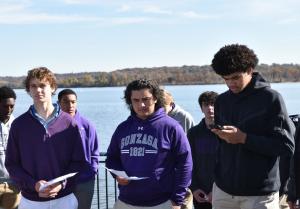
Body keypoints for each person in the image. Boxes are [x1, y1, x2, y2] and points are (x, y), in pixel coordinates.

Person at [210, 44, 295, 209]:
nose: (230, 84)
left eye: (235, 78)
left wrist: (244, 138)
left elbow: (286, 146)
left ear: (249, 70)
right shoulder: (222, 101)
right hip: (223, 191)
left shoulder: (271, 99)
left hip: (259, 194)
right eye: (225, 79)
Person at [5, 67, 87, 209]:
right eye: (33, 86)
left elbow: (79, 162)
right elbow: (12, 164)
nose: (38, 90)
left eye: (43, 85)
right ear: (28, 90)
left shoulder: (69, 123)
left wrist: (61, 184)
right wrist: (33, 185)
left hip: (64, 199)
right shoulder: (19, 125)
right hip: (30, 202)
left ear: (52, 87)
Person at [106, 79, 192, 209]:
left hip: (162, 202)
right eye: (136, 100)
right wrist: (117, 174)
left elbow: (185, 163)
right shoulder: (123, 128)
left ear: (156, 98)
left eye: (146, 99)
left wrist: (176, 200)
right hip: (125, 202)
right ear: (130, 101)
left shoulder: (171, 127)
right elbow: (112, 158)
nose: (141, 105)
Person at [58, 88, 99, 209]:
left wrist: (92, 172)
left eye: (73, 102)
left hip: (84, 181)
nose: (70, 105)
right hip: (61, 182)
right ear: (59, 103)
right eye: (66, 102)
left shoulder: (87, 125)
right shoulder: (52, 125)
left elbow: (94, 151)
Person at [163, 89, 195, 209]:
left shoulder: (183, 117)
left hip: (181, 173)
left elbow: (189, 147)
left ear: (171, 104)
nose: (160, 111)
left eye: (163, 107)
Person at [188, 91, 219, 209]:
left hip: (223, 191)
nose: (210, 108)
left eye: (213, 104)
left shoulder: (226, 132)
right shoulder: (193, 133)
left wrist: (216, 189)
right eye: (206, 104)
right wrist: (194, 188)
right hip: (200, 193)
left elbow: (229, 163)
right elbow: (189, 162)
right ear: (201, 108)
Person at [0, 86, 20, 209]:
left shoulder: (19, 126)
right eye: (5, 106)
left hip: (13, 186)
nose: (9, 109)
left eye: (11, 106)